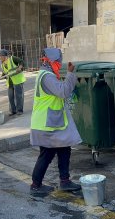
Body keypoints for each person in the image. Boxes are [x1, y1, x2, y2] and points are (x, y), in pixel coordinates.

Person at [30, 47, 82, 196]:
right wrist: (71, 74)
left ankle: (65, 181)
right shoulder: (47, 77)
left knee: (64, 148)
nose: (60, 64)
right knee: (47, 153)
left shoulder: (48, 74)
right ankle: (35, 185)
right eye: (58, 62)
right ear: (51, 61)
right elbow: (63, 91)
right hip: (46, 124)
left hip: (53, 122)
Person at [0, 49, 26, 116]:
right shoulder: (2, 65)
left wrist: (19, 68)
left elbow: (22, 62)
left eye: (0, 56)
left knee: (18, 96)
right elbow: (5, 74)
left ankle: (19, 111)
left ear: (5, 56)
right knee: (10, 96)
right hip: (10, 82)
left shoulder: (12, 59)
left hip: (18, 80)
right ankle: (13, 111)